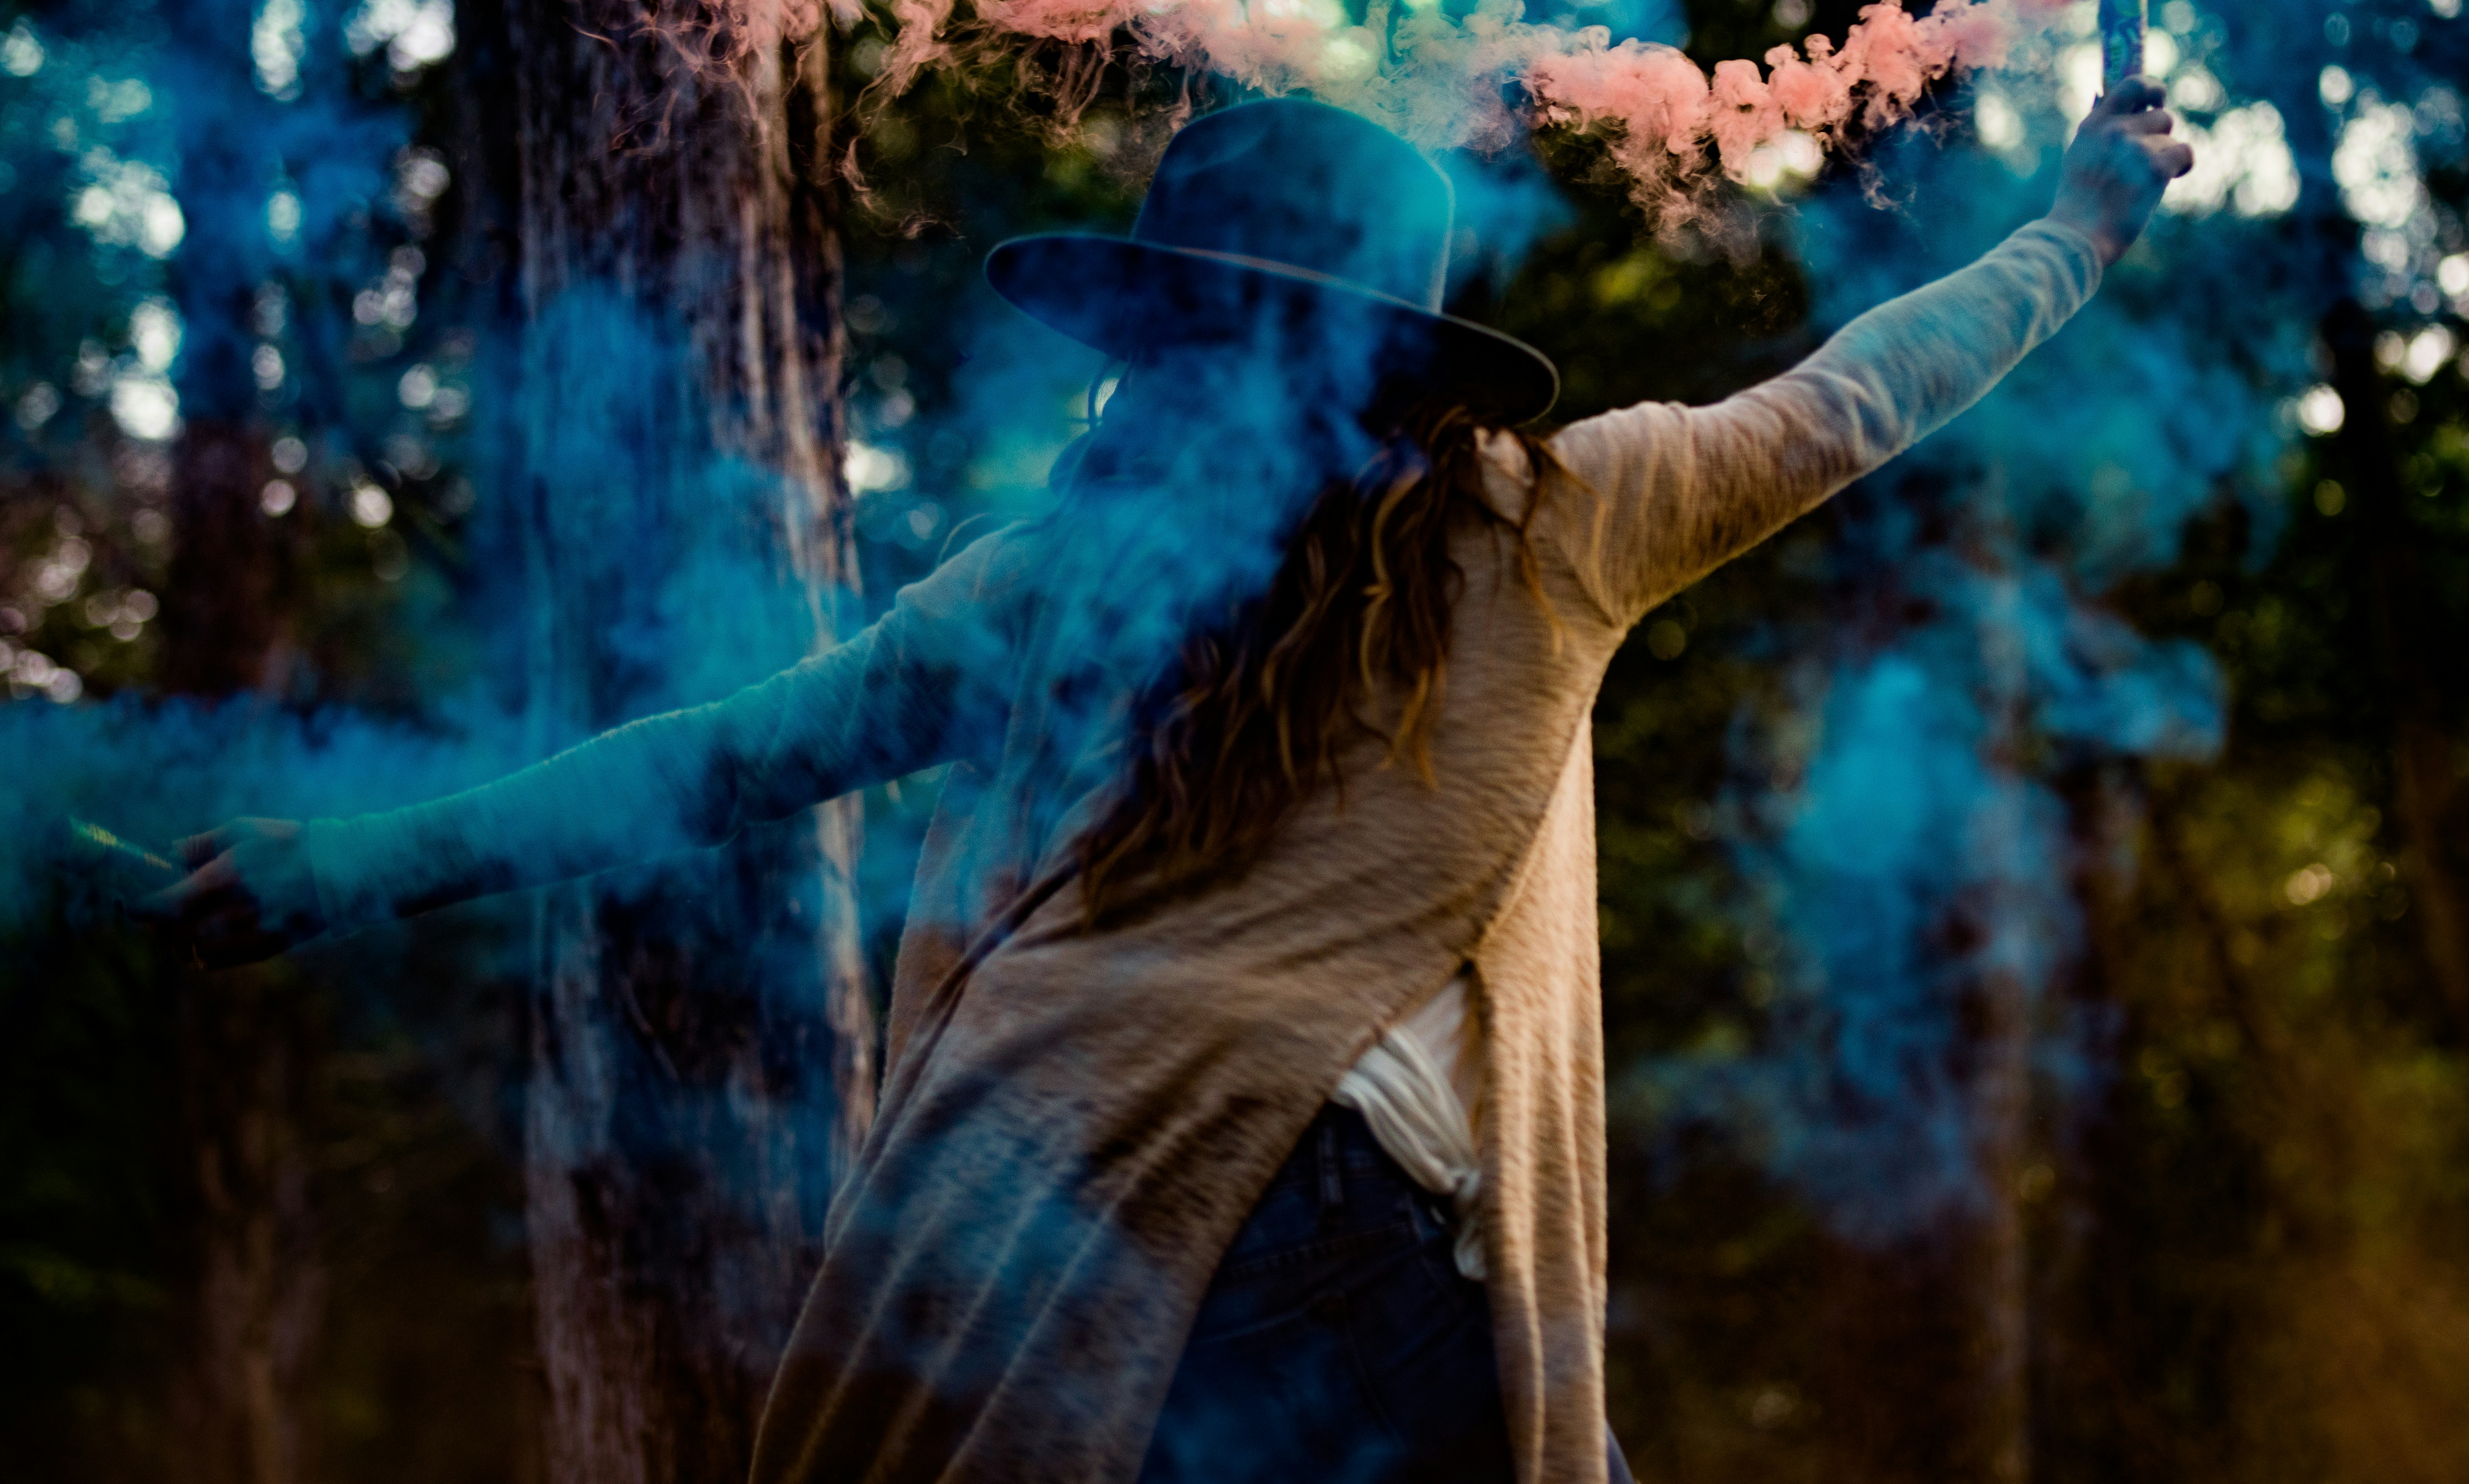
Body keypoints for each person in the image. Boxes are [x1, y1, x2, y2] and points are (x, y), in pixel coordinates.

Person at [147, 83, 2191, 1484]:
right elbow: (1859, 395)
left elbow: (706, 764)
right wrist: (2086, 218)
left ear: (1156, 333)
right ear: (1404, 350)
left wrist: (336, 861)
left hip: (1013, 1220)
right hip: (1319, 1212)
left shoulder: (1047, 581)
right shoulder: (1557, 515)